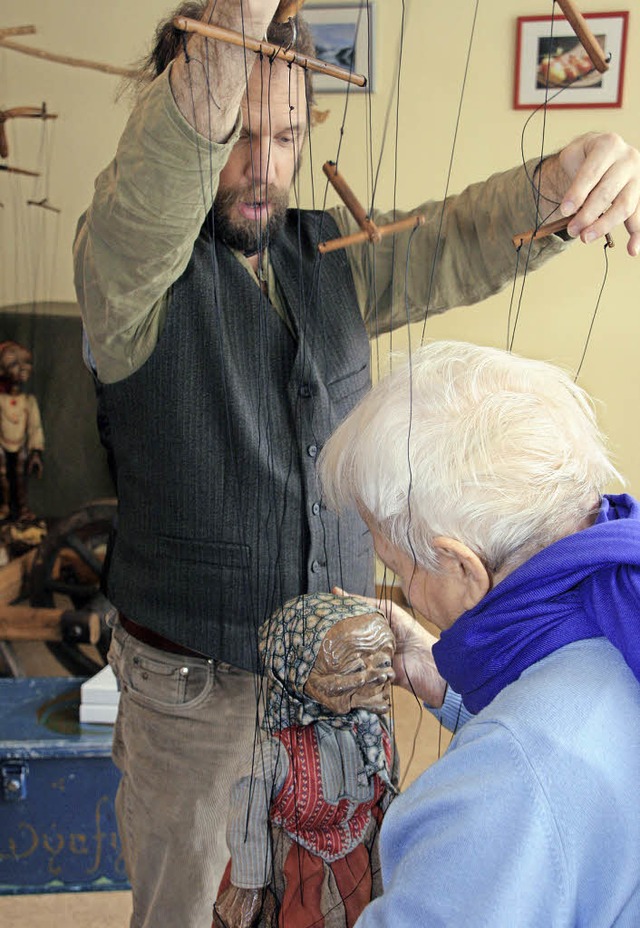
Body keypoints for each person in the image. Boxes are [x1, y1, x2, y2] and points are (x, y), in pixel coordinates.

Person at [72, 0, 640, 924]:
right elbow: (147, 200)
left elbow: (449, 241)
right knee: (192, 906)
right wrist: (232, 26)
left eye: (289, 134)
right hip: (193, 699)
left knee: (328, 891)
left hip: (339, 679)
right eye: (237, 133)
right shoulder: (127, 278)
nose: (263, 166)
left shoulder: (327, 254)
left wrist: (554, 186)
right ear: (189, 119)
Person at [318, 340, 640, 926]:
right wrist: (446, 685)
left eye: (397, 570)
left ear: (462, 566)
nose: (403, 592)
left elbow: (537, 766)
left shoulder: (506, 783)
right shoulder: (619, 603)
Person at [213, 592, 396, 928]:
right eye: (357, 667)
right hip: (298, 874)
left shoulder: (374, 732)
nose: (379, 677)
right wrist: (250, 885)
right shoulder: (275, 754)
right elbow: (247, 822)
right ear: (299, 671)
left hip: (363, 859)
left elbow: (387, 795)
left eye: (383, 662)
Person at [0, 340, 44, 522]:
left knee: (20, 476)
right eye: (14, 364)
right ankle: (4, 507)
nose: (22, 368)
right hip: (2, 445)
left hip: (21, 447)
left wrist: (36, 451)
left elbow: (35, 428)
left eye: (25, 362)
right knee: (2, 474)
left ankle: (23, 509)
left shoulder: (28, 401)